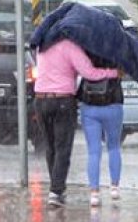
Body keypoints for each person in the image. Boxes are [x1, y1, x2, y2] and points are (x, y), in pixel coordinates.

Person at [35, 39, 119, 209]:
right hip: (62, 101)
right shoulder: (69, 47)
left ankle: (56, 188)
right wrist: (113, 73)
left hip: (40, 100)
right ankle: (56, 192)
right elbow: (89, 72)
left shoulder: (41, 47)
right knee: (63, 148)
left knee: (50, 147)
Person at [78, 54, 125, 207]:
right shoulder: (117, 46)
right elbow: (125, 70)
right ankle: (115, 187)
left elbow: (83, 71)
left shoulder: (86, 46)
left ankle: (94, 193)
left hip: (90, 104)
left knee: (93, 151)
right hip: (113, 103)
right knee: (114, 146)